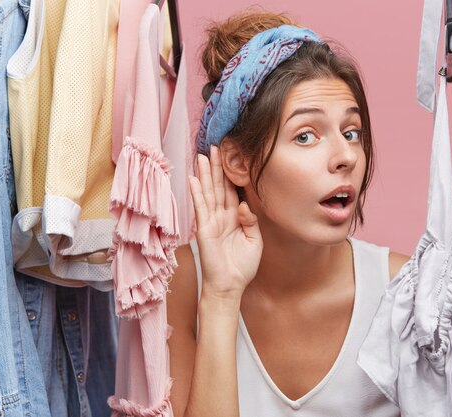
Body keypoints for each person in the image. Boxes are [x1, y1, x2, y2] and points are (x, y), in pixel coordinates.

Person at [167, 11, 408, 417]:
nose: (345, 156)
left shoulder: (405, 290)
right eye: (306, 136)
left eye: (352, 133)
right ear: (238, 162)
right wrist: (222, 297)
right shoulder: (180, 283)